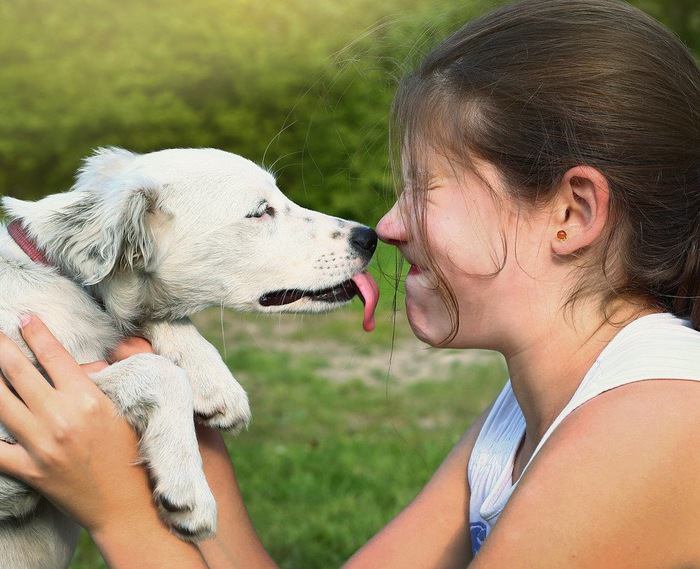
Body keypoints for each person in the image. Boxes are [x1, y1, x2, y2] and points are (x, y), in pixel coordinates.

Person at [1, 0, 700, 566]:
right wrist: (171, 396)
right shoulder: (519, 421)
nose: (388, 225)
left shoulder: (657, 422)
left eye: (424, 188)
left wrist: (118, 511)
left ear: (571, 213)